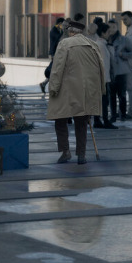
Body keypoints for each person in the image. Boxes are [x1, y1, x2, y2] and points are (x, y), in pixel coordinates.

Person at [46, 19, 105, 164]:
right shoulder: (93, 45)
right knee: (82, 122)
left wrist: (53, 87)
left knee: (60, 120)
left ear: (71, 31)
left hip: (66, 90)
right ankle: (82, 155)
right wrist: (101, 88)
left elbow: (57, 68)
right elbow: (101, 69)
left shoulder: (65, 44)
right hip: (87, 91)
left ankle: (66, 152)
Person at [106, 19, 132, 123]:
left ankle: (122, 115)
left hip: (122, 71)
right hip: (110, 71)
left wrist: (123, 55)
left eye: (113, 27)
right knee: (111, 95)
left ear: (117, 27)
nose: (111, 29)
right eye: (109, 27)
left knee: (122, 94)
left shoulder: (124, 40)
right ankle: (113, 115)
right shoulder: (105, 40)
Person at [93, 22, 118, 129]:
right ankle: (104, 120)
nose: (109, 34)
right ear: (102, 33)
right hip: (101, 78)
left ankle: (98, 120)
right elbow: (103, 64)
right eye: (108, 32)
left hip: (101, 77)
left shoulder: (102, 44)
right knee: (103, 100)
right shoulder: (101, 46)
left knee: (101, 100)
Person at [119, 12, 132, 119]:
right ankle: (127, 111)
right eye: (123, 20)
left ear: (131, 18)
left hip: (131, 62)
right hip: (129, 62)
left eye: (126, 19)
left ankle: (131, 112)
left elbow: (129, 44)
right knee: (127, 87)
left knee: (130, 88)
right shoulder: (130, 30)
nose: (124, 22)